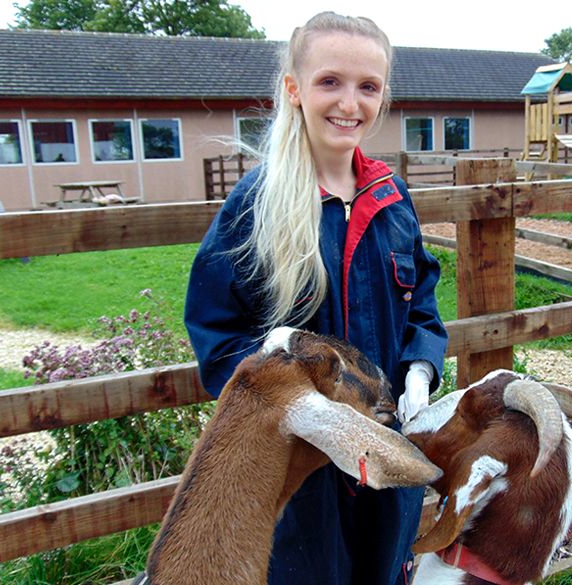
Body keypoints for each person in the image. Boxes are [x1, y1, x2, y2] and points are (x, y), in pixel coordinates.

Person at [184, 11, 448, 585]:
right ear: (294, 89)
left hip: (385, 456)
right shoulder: (258, 204)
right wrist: (304, 414)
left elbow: (421, 307)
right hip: (296, 475)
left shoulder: (392, 199)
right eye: (330, 81)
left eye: (368, 86)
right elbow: (217, 334)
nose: (349, 103)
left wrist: (422, 369)